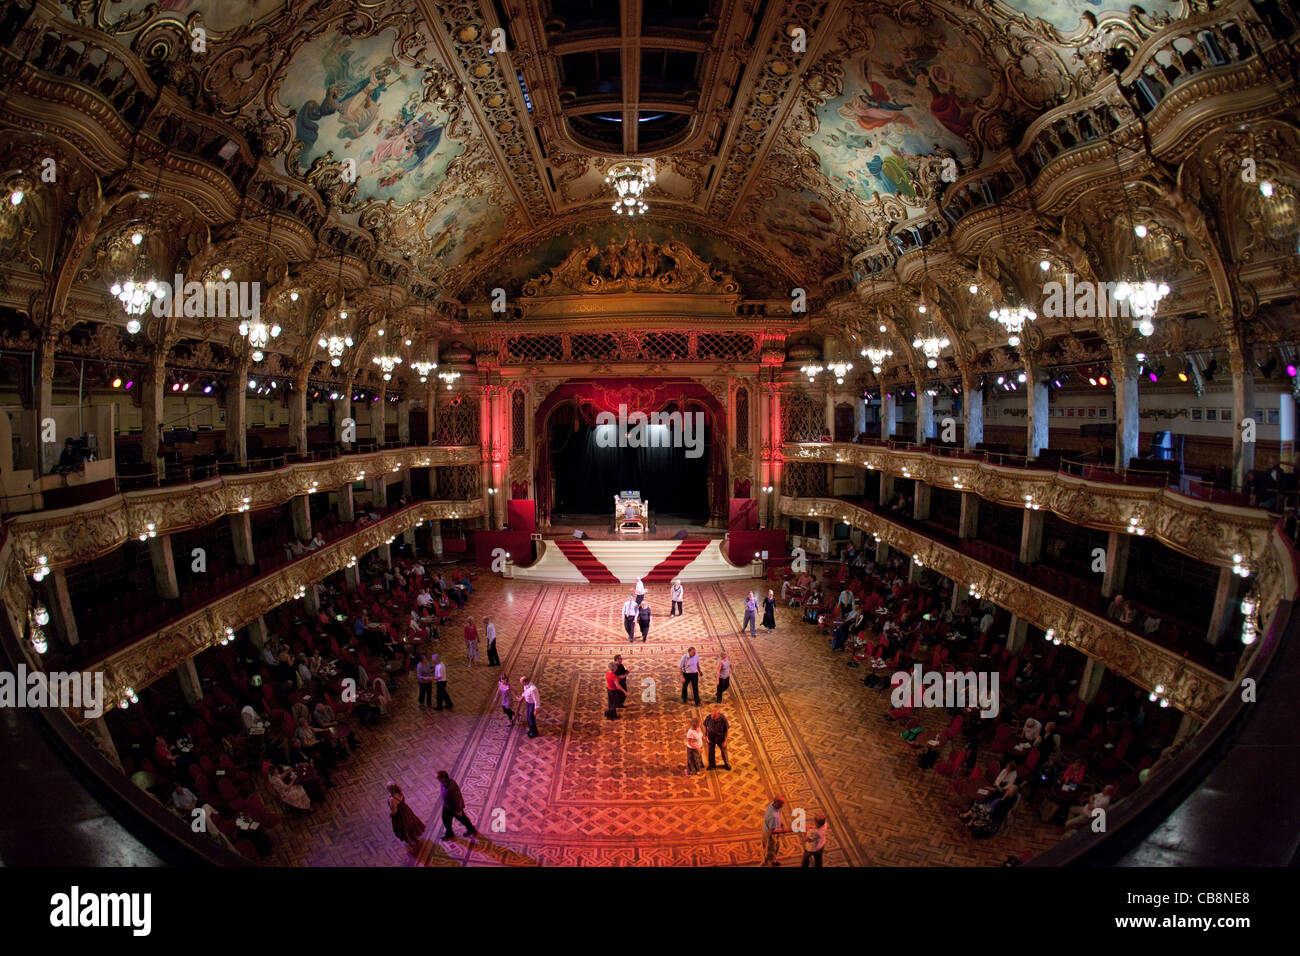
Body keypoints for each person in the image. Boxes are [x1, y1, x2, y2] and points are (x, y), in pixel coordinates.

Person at [435, 770, 478, 842]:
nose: (437, 779)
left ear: (443, 778)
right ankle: (450, 834)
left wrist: (459, 810)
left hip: (454, 808)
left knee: (463, 819)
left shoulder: (451, 787)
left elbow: (457, 799)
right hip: (447, 807)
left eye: (438, 778)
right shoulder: (443, 783)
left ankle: (471, 829)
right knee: (446, 820)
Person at [762, 796, 788, 866]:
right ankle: (768, 863)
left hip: (767, 827)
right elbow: (772, 832)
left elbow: (777, 815)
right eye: (781, 804)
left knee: (776, 847)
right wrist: (785, 831)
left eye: (783, 803)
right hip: (771, 834)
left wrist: (780, 823)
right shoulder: (773, 817)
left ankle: (773, 860)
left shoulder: (772, 805)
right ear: (776, 802)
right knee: (771, 849)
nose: (782, 806)